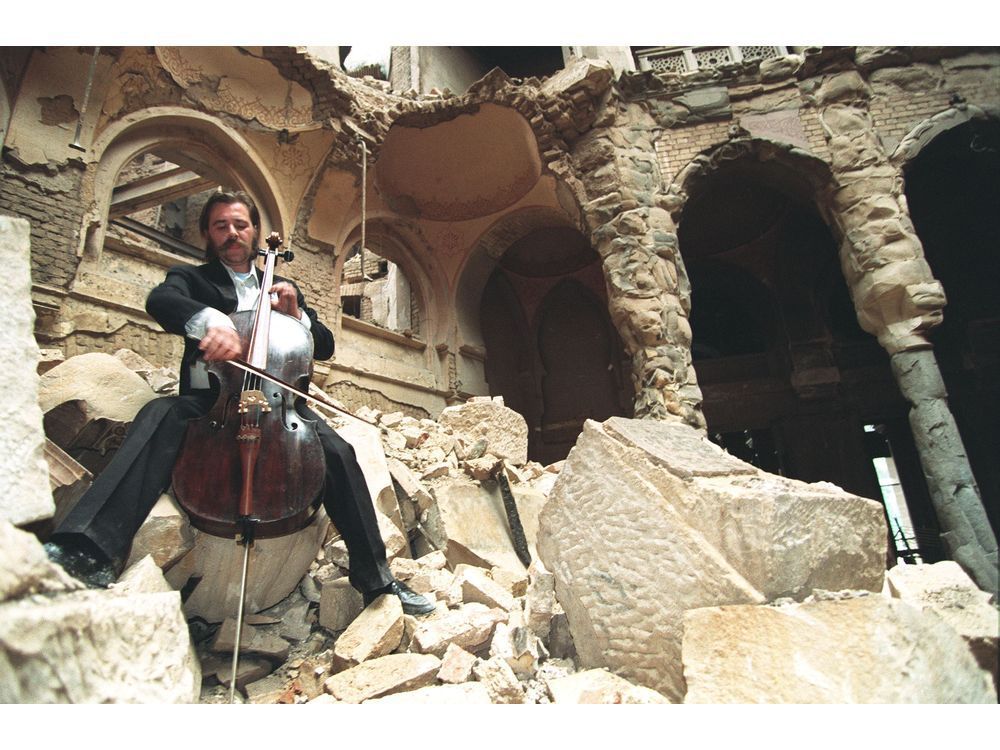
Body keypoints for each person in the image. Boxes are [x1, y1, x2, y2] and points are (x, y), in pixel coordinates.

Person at [44, 190, 435, 616]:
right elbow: (161, 301)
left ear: (254, 232)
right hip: (212, 401)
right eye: (220, 226)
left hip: (280, 405)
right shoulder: (193, 279)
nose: (231, 233)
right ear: (209, 235)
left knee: (340, 452)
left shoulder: (286, 289)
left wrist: (298, 317)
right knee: (159, 414)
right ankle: (85, 550)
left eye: (240, 225)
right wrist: (210, 320)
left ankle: (378, 580)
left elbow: (323, 345)